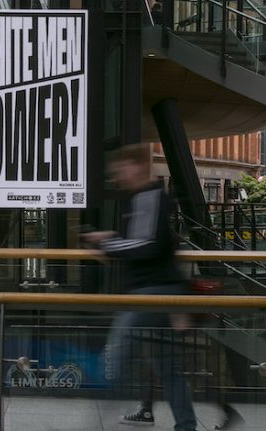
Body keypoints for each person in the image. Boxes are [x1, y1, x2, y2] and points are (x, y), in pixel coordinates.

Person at [82, 144, 196, 431]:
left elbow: (146, 245)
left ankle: (97, 426)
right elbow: (153, 241)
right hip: (162, 293)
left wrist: (107, 244)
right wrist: (114, 237)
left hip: (151, 295)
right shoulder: (147, 197)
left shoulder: (147, 196)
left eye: (121, 169)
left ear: (137, 166)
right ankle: (186, 426)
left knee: (114, 361)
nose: (118, 176)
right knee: (168, 369)